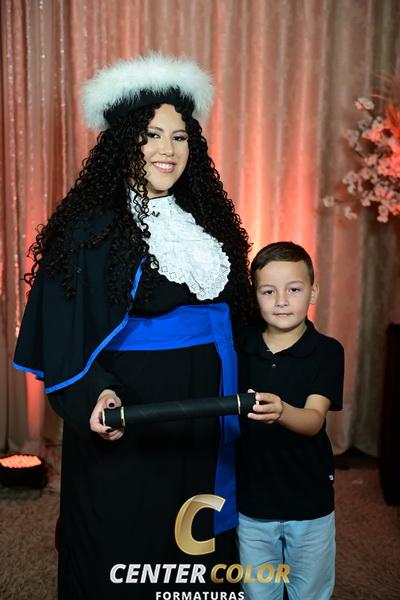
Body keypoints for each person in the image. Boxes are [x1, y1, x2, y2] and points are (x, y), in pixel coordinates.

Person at [13, 53, 252, 599]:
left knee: (195, 537)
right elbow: (64, 333)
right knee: (126, 540)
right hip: (134, 406)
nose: (168, 149)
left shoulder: (207, 222)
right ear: (124, 142)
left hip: (207, 403)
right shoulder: (89, 229)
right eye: (151, 135)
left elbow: (234, 315)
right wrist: (94, 393)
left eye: (180, 137)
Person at [236, 242, 344, 600]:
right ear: (255, 296)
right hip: (252, 501)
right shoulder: (240, 345)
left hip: (309, 500)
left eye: (294, 289)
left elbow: (313, 420)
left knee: (309, 590)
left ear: (313, 292)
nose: (281, 301)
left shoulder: (327, 351)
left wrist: (282, 411)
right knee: (257, 590)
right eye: (268, 291)